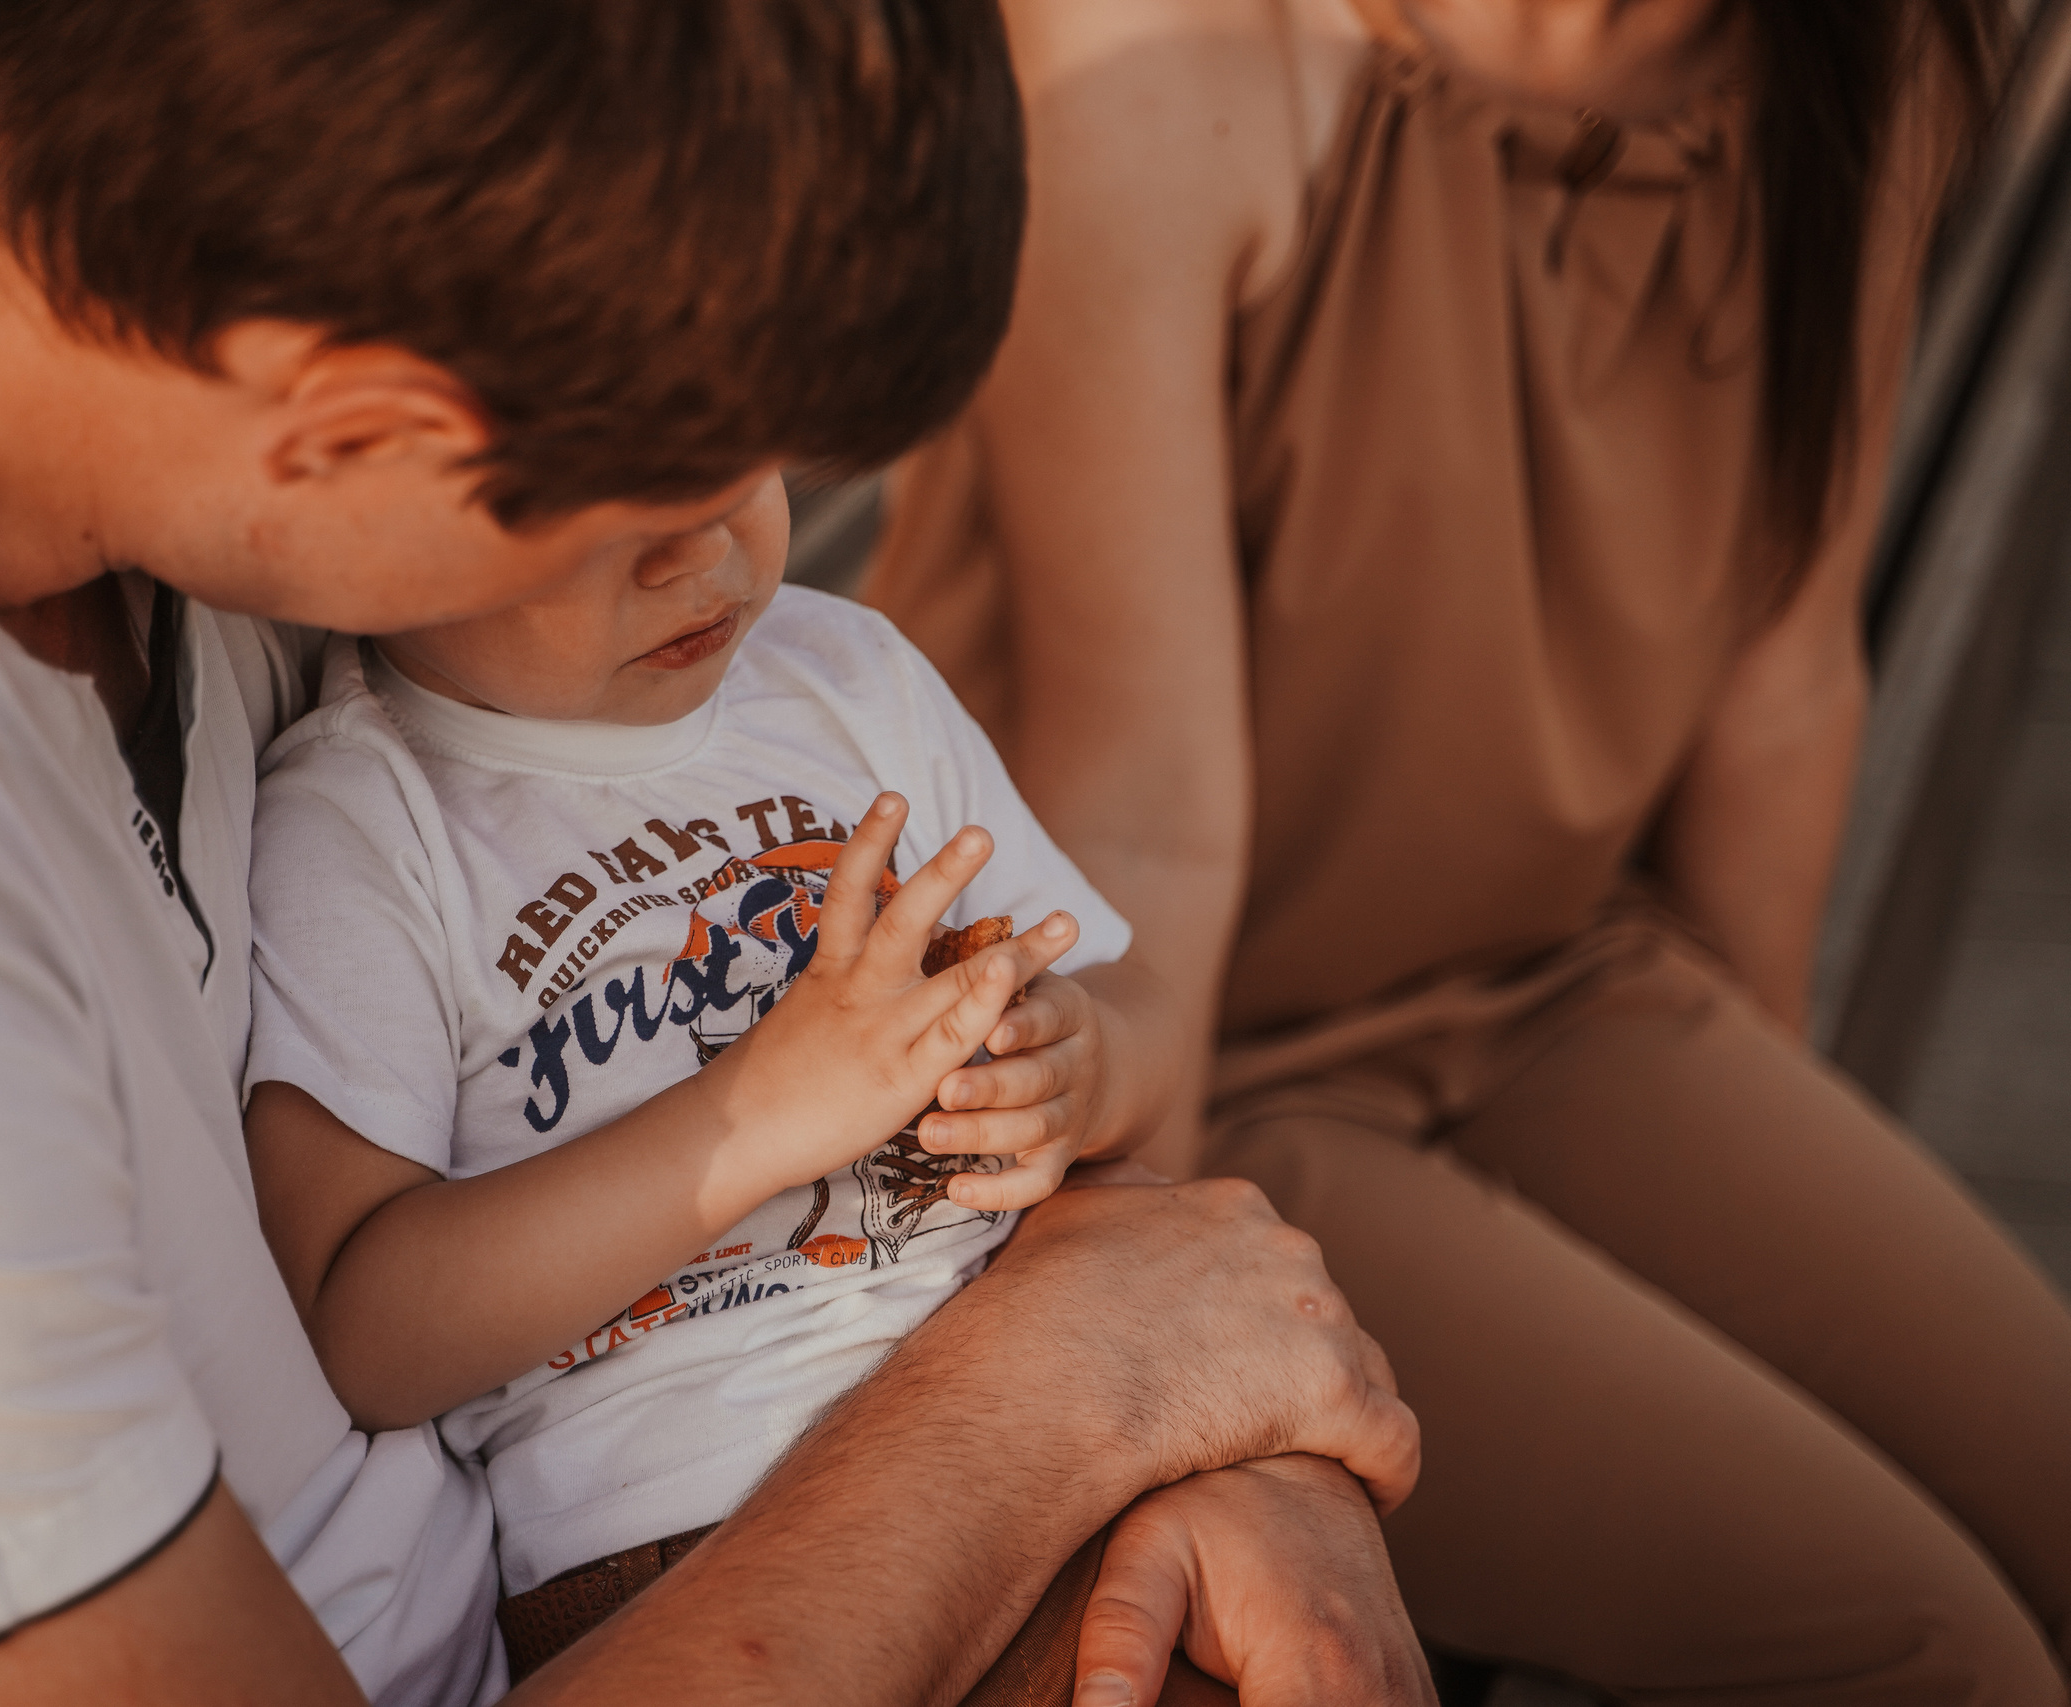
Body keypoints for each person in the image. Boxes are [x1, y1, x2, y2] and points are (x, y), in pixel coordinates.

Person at [0, 3, 1430, 1705]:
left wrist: (1201, 1433)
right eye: (662, 505)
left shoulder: (173, 381)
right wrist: (1061, 1401)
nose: (735, 575)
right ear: (351, 431)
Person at [864, 0, 2071, 1695]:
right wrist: (1174, 1375)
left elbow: (1784, 672)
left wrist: (1734, 1215)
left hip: (1555, 977)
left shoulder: (1869, 58)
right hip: (1197, 1060)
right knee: (1939, 1657)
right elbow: (1149, 818)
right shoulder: (1162, 54)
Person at [238, 484, 1193, 1673]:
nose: (696, 546)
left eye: (728, 461)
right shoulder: (362, 825)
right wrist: (758, 1119)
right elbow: (364, 1330)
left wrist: (1083, 1064)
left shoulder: (848, 675)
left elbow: (1138, 1002)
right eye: (589, 502)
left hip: (1052, 1428)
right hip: (678, 1549)